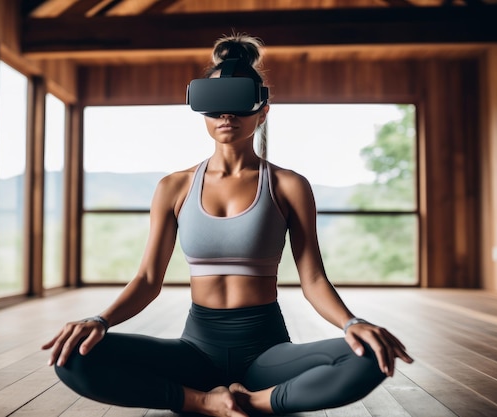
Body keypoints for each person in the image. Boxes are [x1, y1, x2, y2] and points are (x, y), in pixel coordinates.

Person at [42, 33, 413, 417]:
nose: (227, 116)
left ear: (263, 110)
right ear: (202, 110)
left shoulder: (288, 185)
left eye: (238, 106)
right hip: (195, 352)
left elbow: (313, 279)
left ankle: (250, 401)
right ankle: (203, 401)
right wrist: (100, 321)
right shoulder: (174, 187)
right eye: (216, 107)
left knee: (372, 354)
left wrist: (352, 322)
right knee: (72, 357)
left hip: (267, 354)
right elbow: (148, 279)